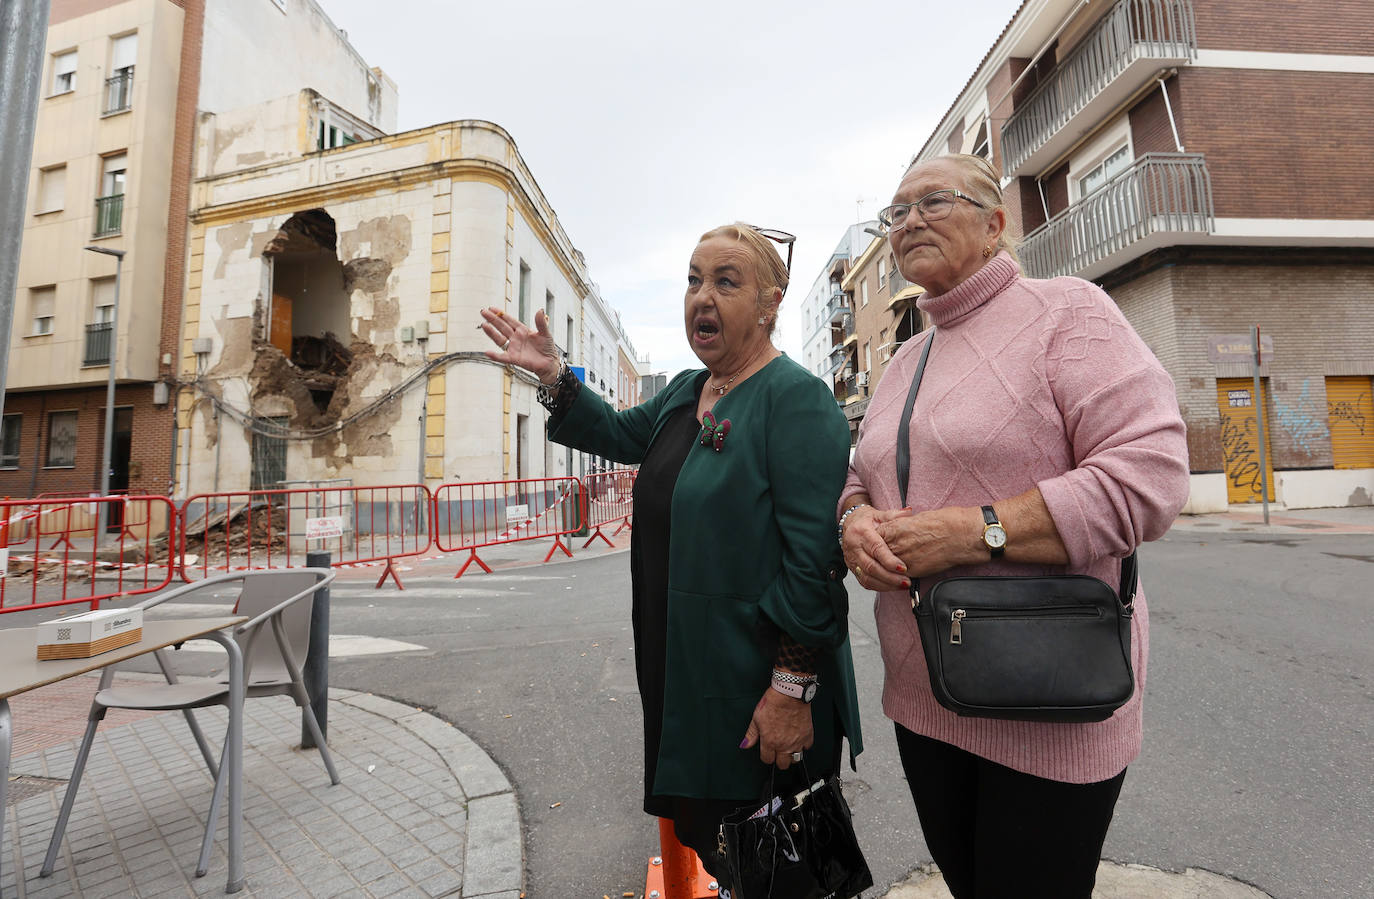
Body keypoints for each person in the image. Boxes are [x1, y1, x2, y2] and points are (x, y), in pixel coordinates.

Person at [838, 154, 1189, 898]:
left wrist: (973, 532)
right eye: (895, 213)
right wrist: (854, 522)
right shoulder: (902, 361)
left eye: (933, 200)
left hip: (1052, 699)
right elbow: (860, 476)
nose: (908, 222)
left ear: (995, 224)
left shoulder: (1072, 312)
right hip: (927, 691)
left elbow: (1150, 476)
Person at [480, 223, 863, 893]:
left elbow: (814, 563)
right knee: (723, 852)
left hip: (756, 691)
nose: (701, 297)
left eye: (725, 281)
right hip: (685, 678)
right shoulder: (689, 390)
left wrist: (791, 689)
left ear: (772, 303)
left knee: (771, 863)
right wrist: (553, 375)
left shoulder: (795, 400)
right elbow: (617, 431)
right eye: (692, 279)